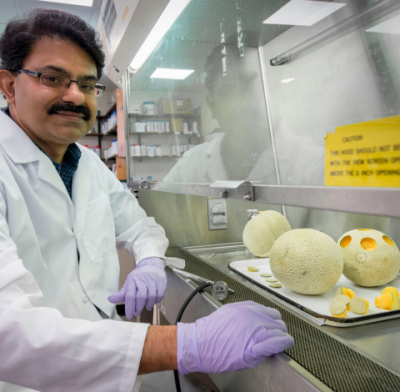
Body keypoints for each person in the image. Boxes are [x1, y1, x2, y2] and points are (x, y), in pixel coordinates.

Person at [0, 9, 294, 392]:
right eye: (53, 78)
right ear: (8, 85)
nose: (75, 96)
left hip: (108, 367)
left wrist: (151, 260)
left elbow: (140, 224)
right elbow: (9, 334)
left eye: (88, 85)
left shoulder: (87, 163)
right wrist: (186, 344)